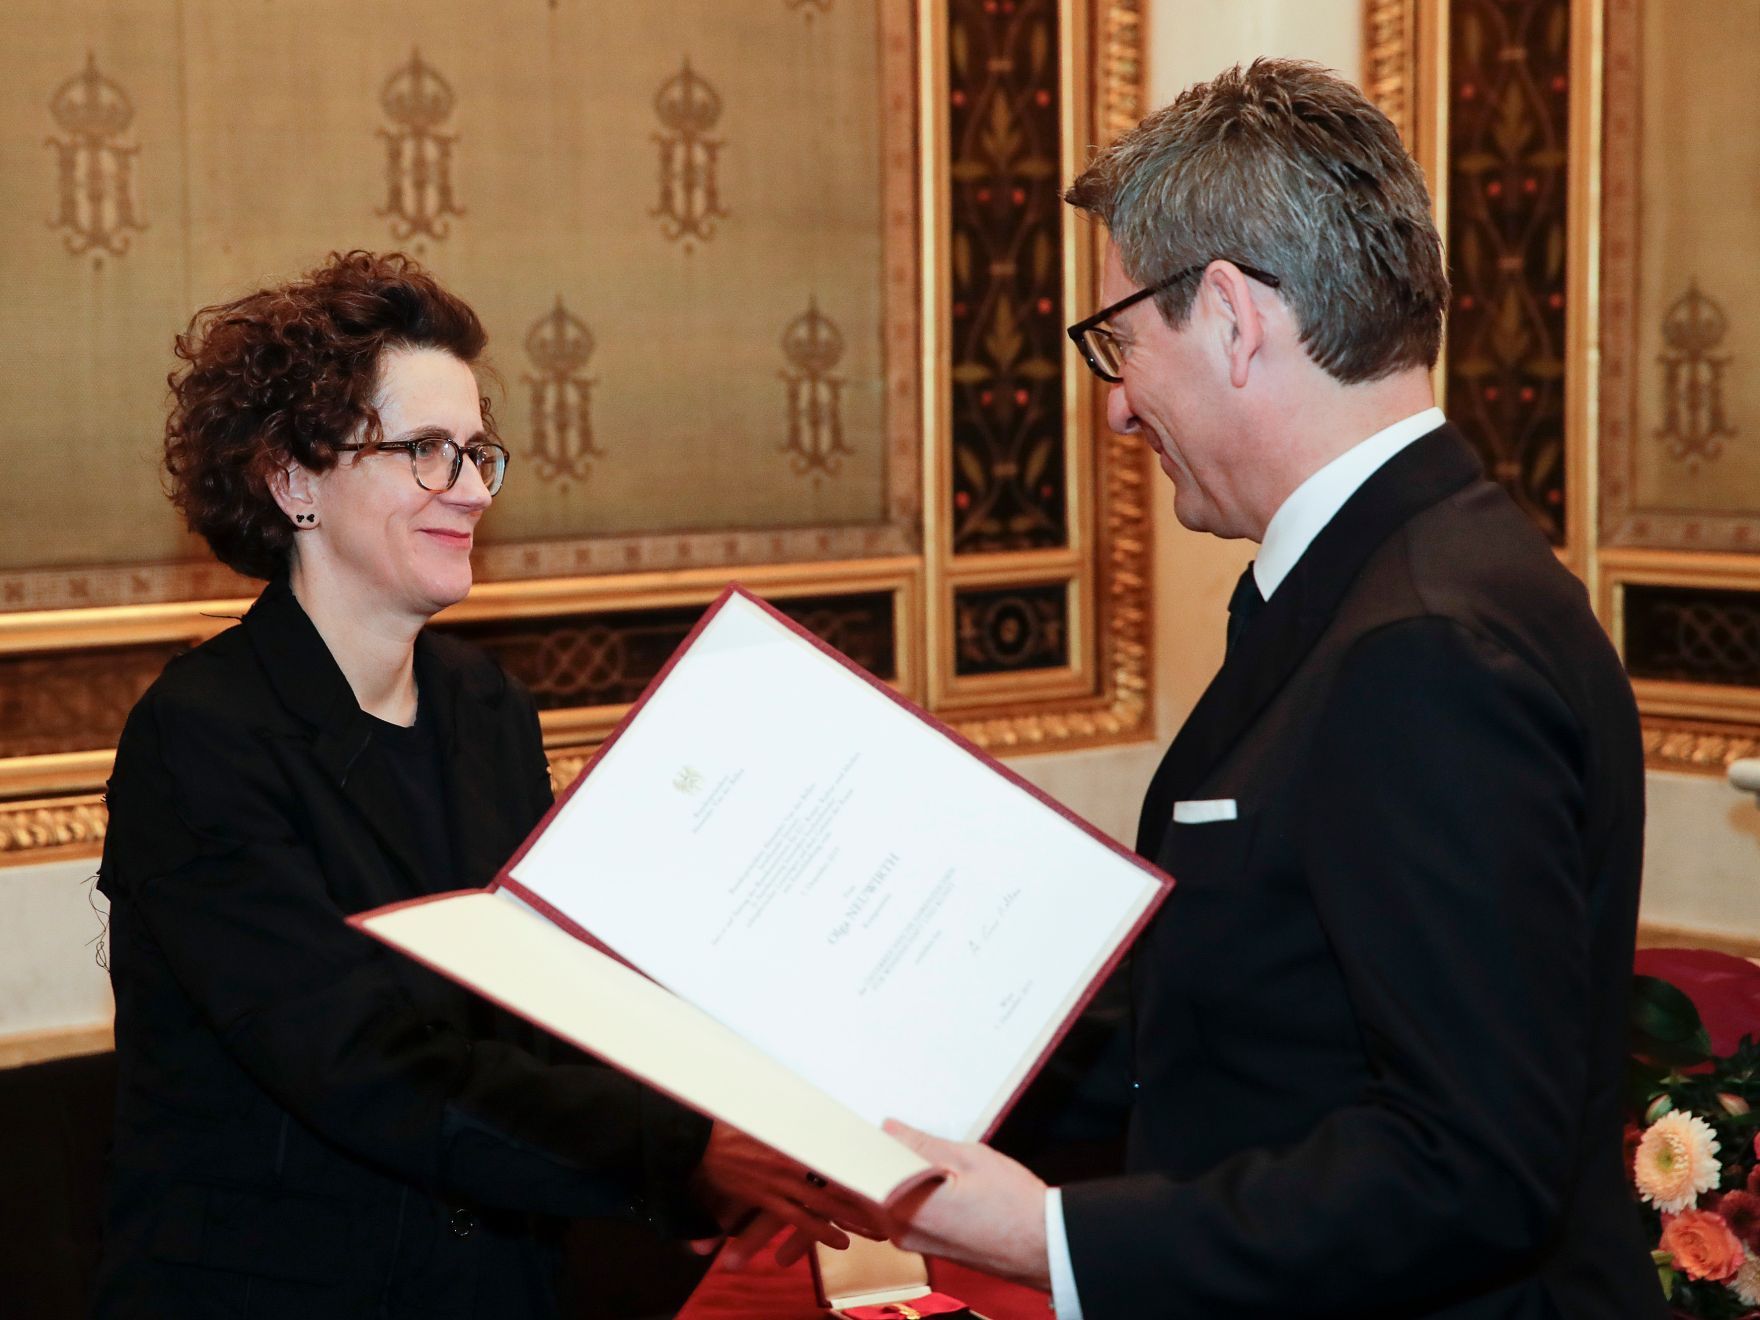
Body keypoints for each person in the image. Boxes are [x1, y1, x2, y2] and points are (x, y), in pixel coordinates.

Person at [884, 60, 1662, 1318]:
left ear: (1234, 317)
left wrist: (1054, 1239)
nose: (1120, 410)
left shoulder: (1422, 643)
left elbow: (1464, 1167)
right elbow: (1252, 1022)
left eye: (1115, 345)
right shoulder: (1400, 575)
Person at [94, 251, 862, 1318]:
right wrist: (682, 1148)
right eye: (423, 452)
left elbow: (547, 1005)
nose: (467, 491)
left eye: (476, 454)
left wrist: (764, 1083)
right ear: (292, 480)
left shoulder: (485, 708)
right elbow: (357, 1063)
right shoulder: (201, 739)